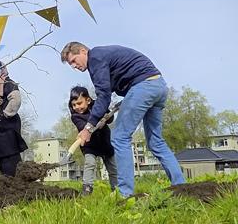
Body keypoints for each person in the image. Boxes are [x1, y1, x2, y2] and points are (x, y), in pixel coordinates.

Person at [61, 42, 185, 198]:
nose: (74, 66)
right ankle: (181, 186)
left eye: (73, 60)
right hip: (158, 86)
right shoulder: (104, 56)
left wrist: (88, 127)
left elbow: (104, 96)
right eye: (70, 64)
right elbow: (112, 86)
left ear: (83, 51)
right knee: (156, 142)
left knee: (119, 137)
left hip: (143, 86)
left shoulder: (95, 59)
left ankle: (124, 193)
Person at [68, 86, 118, 195]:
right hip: (89, 145)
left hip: (104, 143)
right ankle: (87, 188)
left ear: (88, 100)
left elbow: (110, 119)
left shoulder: (98, 106)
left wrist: (106, 118)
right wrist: (96, 123)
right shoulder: (75, 116)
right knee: (89, 164)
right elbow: (83, 127)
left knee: (113, 169)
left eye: (79, 103)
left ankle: (117, 189)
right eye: (74, 105)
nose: (76, 107)